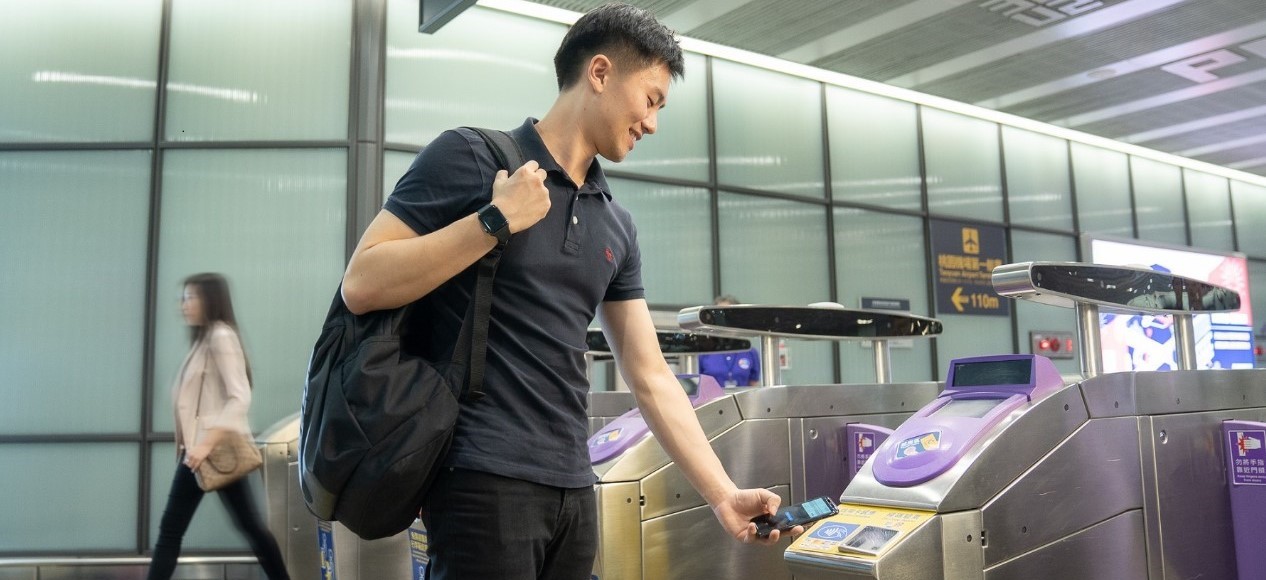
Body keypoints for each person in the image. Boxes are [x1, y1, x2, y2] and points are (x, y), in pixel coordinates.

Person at [340, 4, 799, 578]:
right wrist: (493, 222)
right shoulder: (472, 157)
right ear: (601, 74)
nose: (652, 123)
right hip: (481, 479)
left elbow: (650, 375)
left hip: (575, 488)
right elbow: (362, 282)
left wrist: (721, 493)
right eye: (651, 99)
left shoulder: (616, 224)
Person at [149, 273, 289, 580]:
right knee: (250, 527)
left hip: (209, 449)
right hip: (203, 450)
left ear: (209, 299)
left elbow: (240, 397)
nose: (183, 305)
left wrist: (203, 445)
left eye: (190, 297)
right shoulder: (204, 339)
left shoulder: (220, 337)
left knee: (171, 530)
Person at [698, 295, 762, 387]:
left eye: (727, 313)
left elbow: (754, 385)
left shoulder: (750, 352)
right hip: (713, 401)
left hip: (742, 400)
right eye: (718, 313)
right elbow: (698, 386)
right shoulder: (704, 352)